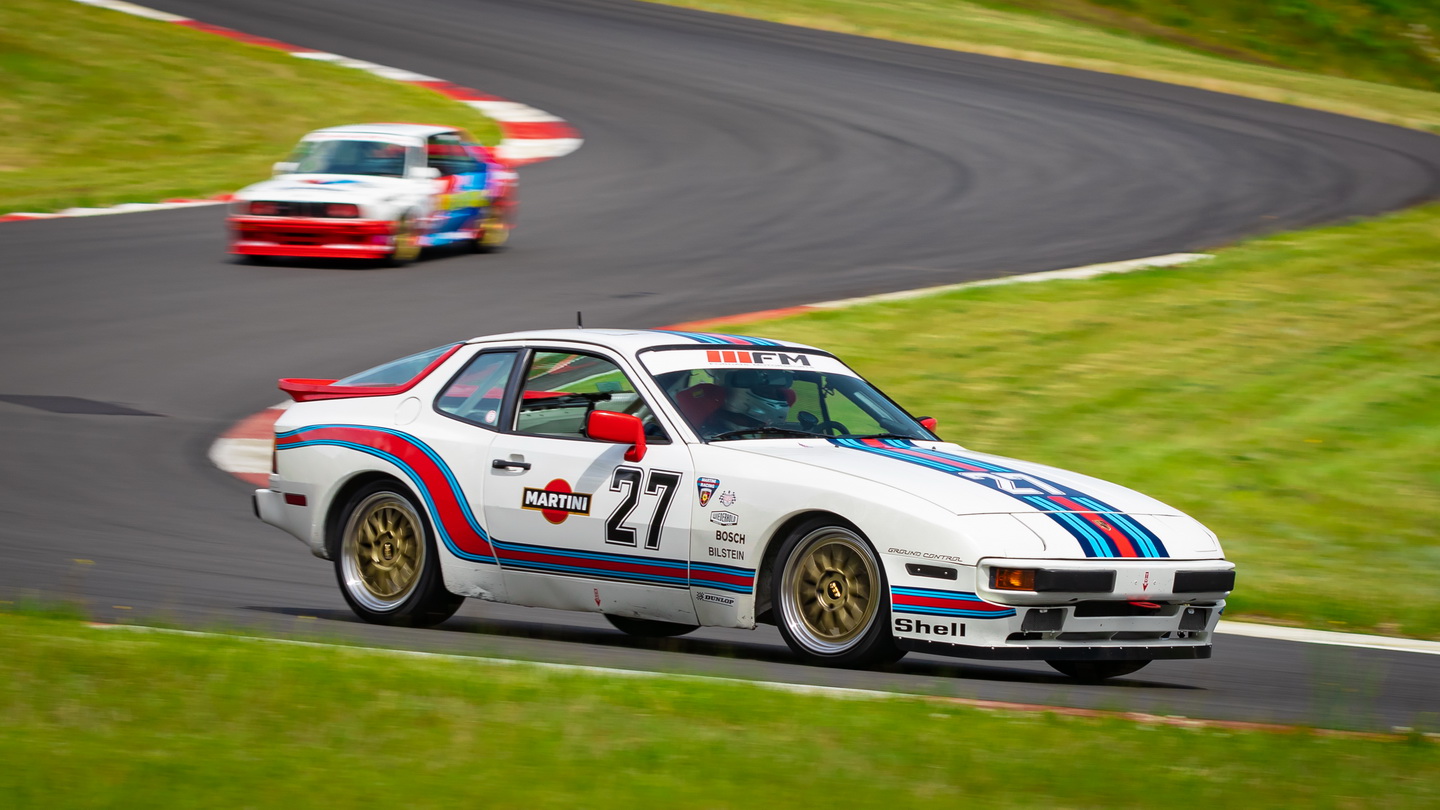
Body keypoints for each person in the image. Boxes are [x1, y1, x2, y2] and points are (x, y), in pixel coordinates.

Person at [697, 369, 794, 437]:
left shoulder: (780, 433)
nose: (774, 395)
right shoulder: (709, 436)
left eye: (777, 393)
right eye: (767, 391)